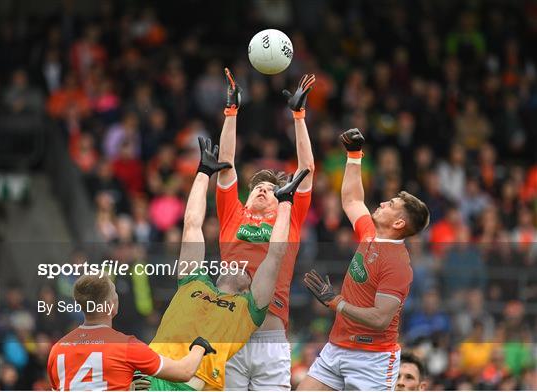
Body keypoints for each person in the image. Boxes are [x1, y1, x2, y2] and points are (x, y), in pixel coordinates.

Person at [147, 137, 309, 391]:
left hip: (190, 379)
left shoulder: (247, 312)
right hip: (157, 372)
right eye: (258, 187)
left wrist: (286, 203)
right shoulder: (193, 281)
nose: (241, 267)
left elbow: (275, 256)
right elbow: (191, 225)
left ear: (249, 290)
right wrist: (203, 173)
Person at [299, 129, 430, 391]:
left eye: (391, 204)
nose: (382, 202)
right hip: (337, 346)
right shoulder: (370, 232)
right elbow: (351, 199)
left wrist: (336, 303)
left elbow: (380, 319)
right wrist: (354, 155)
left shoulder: (398, 265)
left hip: (373, 359)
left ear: (399, 222)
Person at [217, 68, 315, 390]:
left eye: (270, 188)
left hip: (271, 340)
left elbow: (307, 171)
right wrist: (231, 113)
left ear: (281, 199)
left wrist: (298, 116)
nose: (262, 189)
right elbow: (226, 162)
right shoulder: (233, 214)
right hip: (229, 332)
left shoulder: (289, 217)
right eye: (257, 186)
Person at [46, 273, 215, 391]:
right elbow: (184, 371)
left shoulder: (57, 350)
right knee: (195, 383)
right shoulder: (126, 346)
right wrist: (200, 346)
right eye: (114, 293)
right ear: (111, 305)